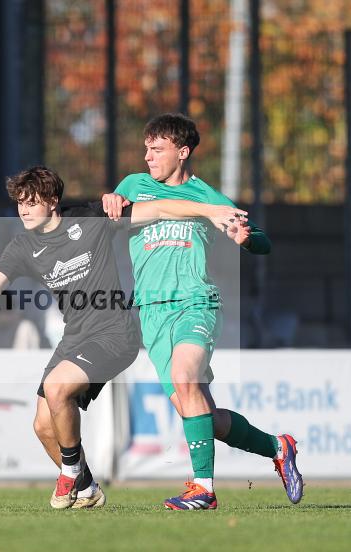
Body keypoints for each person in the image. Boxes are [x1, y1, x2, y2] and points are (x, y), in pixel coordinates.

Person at [0, 165, 247, 509]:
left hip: (115, 334)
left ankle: (71, 471)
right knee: (44, 426)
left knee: (58, 390)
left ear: (53, 200)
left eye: (32, 201)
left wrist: (210, 210)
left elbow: (161, 207)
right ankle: (86, 488)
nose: (24, 210)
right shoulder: (22, 247)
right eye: (19, 203)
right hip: (75, 339)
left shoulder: (91, 218)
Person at [102, 113, 303, 510]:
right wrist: (111, 198)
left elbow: (262, 241)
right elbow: (114, 208)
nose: (147, 157)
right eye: (146, 148)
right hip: (151, 314)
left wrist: (247, 239)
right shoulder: (133, 186)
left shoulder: (209, 198)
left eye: (156, 149)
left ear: (183, 151)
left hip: (196, 303)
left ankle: (203, 489)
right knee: (202, 415)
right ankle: (277, 447)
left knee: (184, 378)